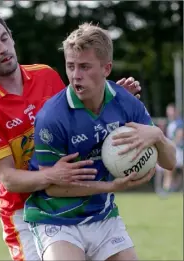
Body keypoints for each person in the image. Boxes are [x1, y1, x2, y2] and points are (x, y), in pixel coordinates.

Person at [0, 9, 144, 261]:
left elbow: (80, 122)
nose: (2, 48)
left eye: (4, 38)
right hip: (23, 211)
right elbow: (9, 178)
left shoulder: (45, 74)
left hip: (71, 197)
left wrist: (109, 100)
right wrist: (52, 175)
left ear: (12, 37)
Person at [24, 23, 176, 261]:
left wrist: (156, 135)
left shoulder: (126, 103)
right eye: (71, 66)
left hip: (103, 217)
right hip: (56, 219)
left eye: (85, 67)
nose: (76, 75)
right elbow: (51, 186)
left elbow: (170, 162)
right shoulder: (52, 116)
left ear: (107, 68)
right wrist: (110, 187)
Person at [162, 104, 183, 193]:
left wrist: (170, 145)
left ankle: (175, 187)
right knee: (169, 169)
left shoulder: (179, 122)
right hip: (172, 149)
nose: (169, 113)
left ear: (175, 112)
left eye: (170, 111)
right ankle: (166, 188)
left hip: (179, 150)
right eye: (168, 111)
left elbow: (179, 135)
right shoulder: (170, 123)